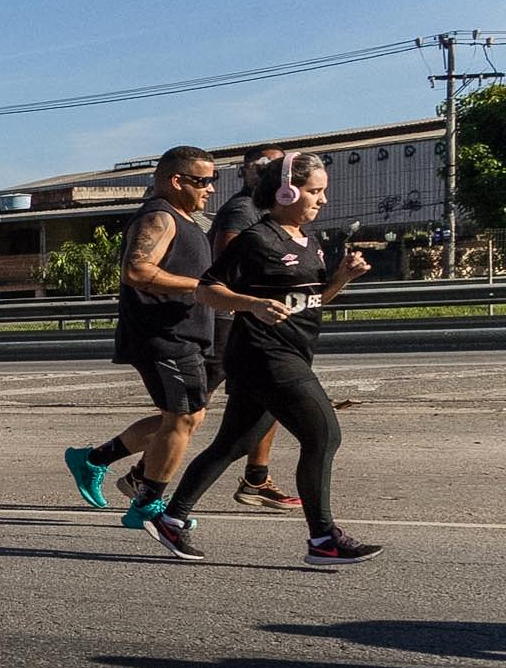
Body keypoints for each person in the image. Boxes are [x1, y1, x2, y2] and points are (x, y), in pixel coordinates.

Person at [144, 152, 380, 565]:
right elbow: (207, 289)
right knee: (324, 436)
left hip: (291, 351)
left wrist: (342, 278)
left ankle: (172, 519)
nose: (323, 199)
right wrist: (251, 303)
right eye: (315, 191)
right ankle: (323, 539)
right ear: (286, 192)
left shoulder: (310, 241)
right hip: (263, 355)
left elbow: (311, 301)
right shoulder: (257, 239)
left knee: (234, 444)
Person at [61, 146, 221, 526]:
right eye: (203, 180)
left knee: (184, 418)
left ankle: (94, 460)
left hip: (182, 335)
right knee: (183, 419)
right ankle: (147, 504)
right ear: (177, 180)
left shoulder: (187, 220)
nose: (211, 188)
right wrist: (198, 288)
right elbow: (137, 270)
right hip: (164, 336)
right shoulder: (159, 217)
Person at [206, 144, 302, 512]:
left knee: (265, 400)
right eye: (263, 165)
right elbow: (224, 264)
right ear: (247, 171)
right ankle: (128, 467)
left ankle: (256, 479)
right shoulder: (242, 209)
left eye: (280, 166)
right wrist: (253, 301)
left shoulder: (267, 212)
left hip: (256, 320)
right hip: (232, 321)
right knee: (188, 413)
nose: (272, 172)